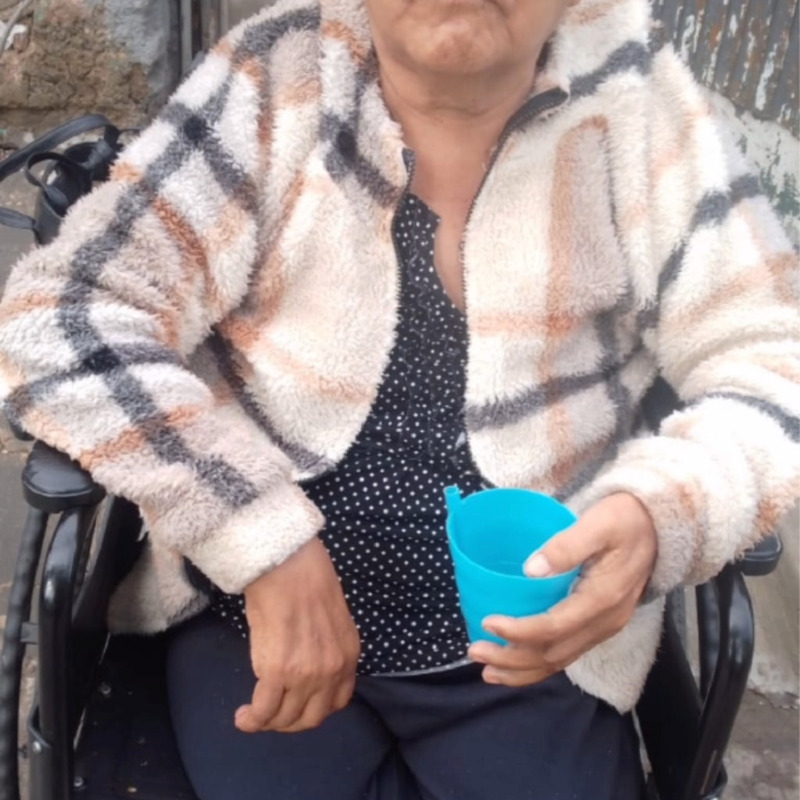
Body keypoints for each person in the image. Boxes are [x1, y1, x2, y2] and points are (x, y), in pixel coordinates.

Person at [1, 0, 798, 797]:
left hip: (540, 639)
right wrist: (257, 537)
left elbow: (771, 356)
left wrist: (664, 516)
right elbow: (59, 315)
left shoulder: (638, 97)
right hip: (256, 617)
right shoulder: (275, 77)